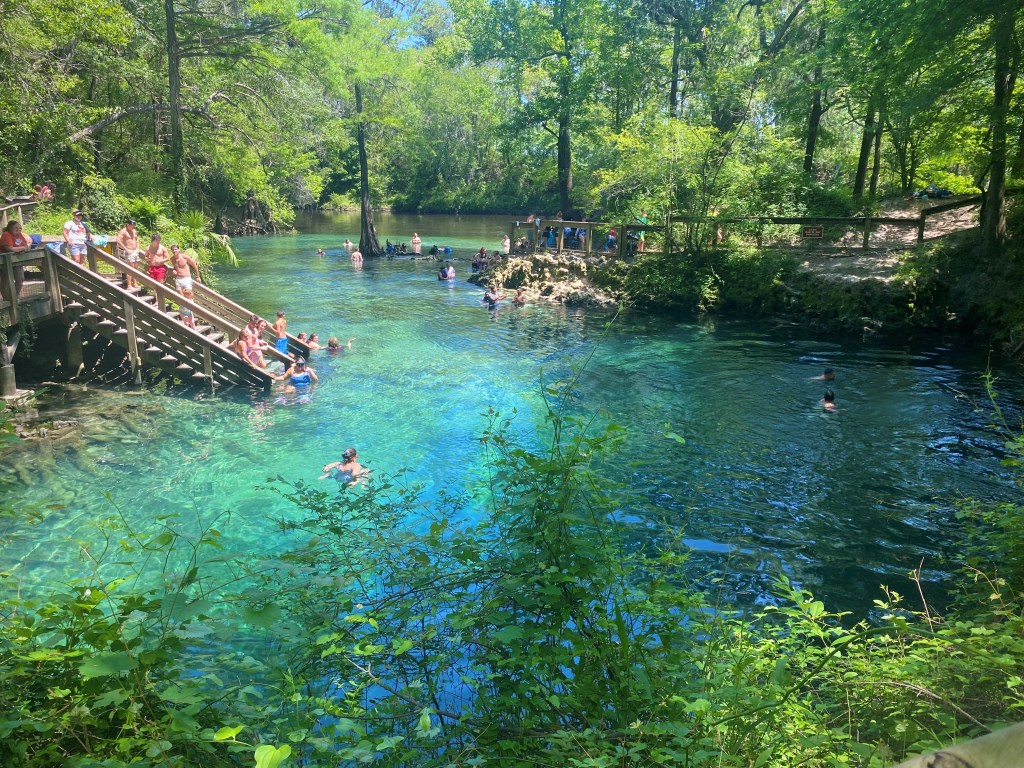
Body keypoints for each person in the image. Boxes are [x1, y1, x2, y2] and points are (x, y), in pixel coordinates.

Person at [0, 220, 31, 302]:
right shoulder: (6, 235)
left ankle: (14, 298)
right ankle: (7, 300)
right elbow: (9, 249)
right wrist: (22, 248)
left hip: (18, 261)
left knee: (20, 279)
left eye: (19, 227)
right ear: (10, 228)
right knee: (6, 281)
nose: (18, 229)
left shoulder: (19, 234)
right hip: (5, 263)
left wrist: (22, 248)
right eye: (15, 228)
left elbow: (27, 246)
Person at [116, 219, 143, 288]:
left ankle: (135, 283)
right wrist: (126, 249)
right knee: (130, 268)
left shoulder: (134, 231)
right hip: (129, 250)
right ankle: (129, 285)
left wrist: (138, 248)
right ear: (128, 225)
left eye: (134, 226)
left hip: (135, 251)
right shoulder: (123, 231)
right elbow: (118, 240)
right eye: (132, 226)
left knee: (135, 267)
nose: (133, 227)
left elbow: (136, 239)